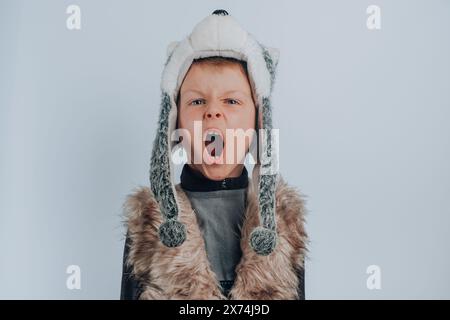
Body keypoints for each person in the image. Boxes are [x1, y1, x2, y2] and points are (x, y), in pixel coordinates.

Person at [120, 9, 307, 300]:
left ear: (259, 124)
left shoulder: (284, 223)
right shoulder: (150, 223)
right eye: (197, 101)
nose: (213, 111)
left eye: (232, 101)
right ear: (174, 122)